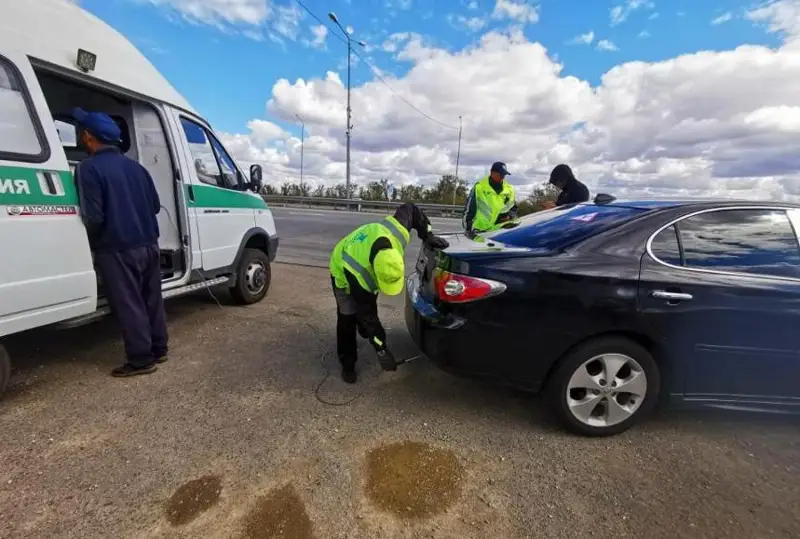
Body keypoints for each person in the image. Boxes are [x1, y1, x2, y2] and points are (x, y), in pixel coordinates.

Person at [72, 107, 168, 378]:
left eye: (82, 134)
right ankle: (159, 348)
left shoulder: (87, 169)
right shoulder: (138, 168)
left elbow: (94, 217)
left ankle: (140, 359)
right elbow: (155, 206)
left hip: (117, 248)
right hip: (149, 244)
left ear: (89, 137)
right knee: (151, 300)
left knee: (129, 304)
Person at [329, 203, 449, 383]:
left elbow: (412, 209)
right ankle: (347, 364)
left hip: (363, 256)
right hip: (341, 266)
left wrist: (427, 235)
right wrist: (381, 348)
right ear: (374, 272)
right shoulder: (362, 276)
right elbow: (368, 313)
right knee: (347, 317)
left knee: (366, 314)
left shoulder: (397, 231)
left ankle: (363, 329)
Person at [463, 161, 517, 236]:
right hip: (480, 232)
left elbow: (513, 208)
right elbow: (469, 211)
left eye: (504, 175)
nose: (502, 177)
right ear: (492, 172)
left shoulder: (509, 189)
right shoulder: (479, 187)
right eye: (500, 174)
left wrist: (510, 216)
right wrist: (468, 230)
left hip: (500, 232)